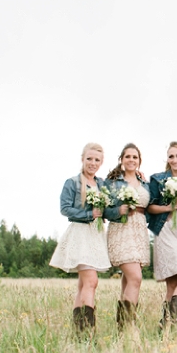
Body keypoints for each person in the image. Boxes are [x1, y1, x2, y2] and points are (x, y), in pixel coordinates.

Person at [49, 143, 112, 334]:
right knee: (91, 281)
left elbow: (115, 193)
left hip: (96, 235)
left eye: (97, 160)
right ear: (82, 159)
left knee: (83, 284)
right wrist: (89, 214)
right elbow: (65, 208)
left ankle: (78, 332)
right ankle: (87, 331)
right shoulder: (72, 183)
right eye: (89, 159)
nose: (93, 163)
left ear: (101, 162)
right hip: (80, 234)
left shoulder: (102, 184)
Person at [148, 142, 177, 327]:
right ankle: (169, 323)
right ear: (167, 159)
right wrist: (168, 207)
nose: (175, 160)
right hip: (165, 229)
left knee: (173, 284)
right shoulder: (159, 179)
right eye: (171, 156)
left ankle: (165, 330)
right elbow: (150, 207)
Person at [104, 143, 151, 330]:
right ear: (121, 160)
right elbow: (104, 210)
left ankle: (122, 330)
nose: (131, 160)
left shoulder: (144, 183)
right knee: (135, 277)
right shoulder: (113, 183)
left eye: (135, 157)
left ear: (139, 161)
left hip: (139, 231)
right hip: (121, 230)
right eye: (128, 156)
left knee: (128, 279)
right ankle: (128, 328)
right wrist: (118, 210)